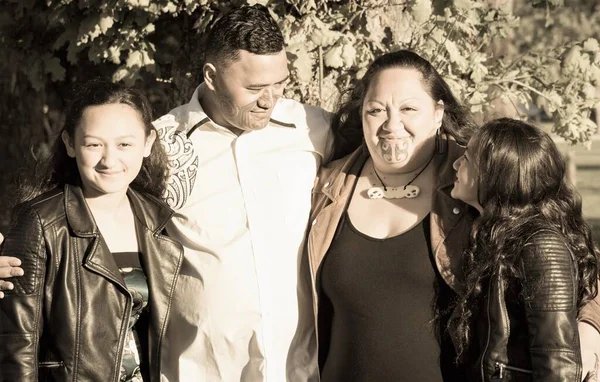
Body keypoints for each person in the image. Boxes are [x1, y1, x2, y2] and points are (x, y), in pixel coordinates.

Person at [0, 4, 330, 382]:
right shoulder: (157, 146)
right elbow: (80, 216)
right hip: (197, 372)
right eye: (254, 88)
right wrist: (14, 258)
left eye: (279, 83)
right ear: (211, 76)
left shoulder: (313, 129)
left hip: (298, 371)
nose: (270, 100)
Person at [304, 49, 600, 381]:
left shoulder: (478, 177)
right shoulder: (325, 186)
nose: (391, 124)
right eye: (376, 110)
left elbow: (566, 256)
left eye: (409, 109)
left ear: (438, 113)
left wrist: (589, 328)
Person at [0, 79, 183, 381]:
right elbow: (16, 347)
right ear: (70, 144)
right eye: (93, 144)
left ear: (149, 142)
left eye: (125, 144)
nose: (110, 160)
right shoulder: (41, 223)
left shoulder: (160, 220)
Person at [449, 118, 600, 380]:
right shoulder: (494, 233)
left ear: (496, 175)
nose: (455, 164)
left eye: (466, 159)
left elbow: (558, 365)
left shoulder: (541, 247)